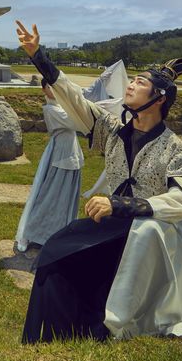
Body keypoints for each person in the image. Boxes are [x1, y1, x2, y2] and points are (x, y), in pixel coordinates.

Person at [16, 20, 182, 344]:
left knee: (138, 237)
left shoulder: (176, 150)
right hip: (117, 222)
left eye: (139, 82)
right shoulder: (114, 131)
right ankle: (51, 339)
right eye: (132, 79)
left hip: (160, 232)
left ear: (158, 97)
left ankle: (111, 326)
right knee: (56, 250)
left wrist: (120, 204)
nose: (130, 85)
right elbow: (74, 100)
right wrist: (38, 56)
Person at [15, 62, 128, 253]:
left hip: (71, 155)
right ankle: (34, 233)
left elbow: (80, 97)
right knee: (50, 198)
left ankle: (59, 233)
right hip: (61, 156)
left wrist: (102, 80)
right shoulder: (51, 109)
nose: (53, 89)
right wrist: (101, 109)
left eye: (54, 85)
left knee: (66, 199)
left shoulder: (62, 104)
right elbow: (76, 118)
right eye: (49, 86)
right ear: (44, 89)